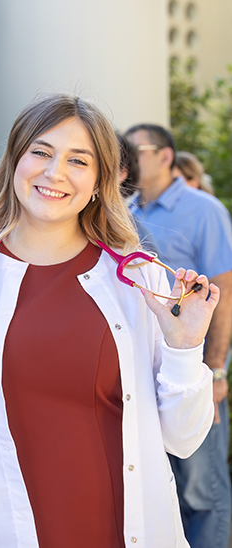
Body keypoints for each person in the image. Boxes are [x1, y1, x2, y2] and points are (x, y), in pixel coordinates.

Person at [0, 94, 217, 548]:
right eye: (40, 152)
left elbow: (183, 439)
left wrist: (185, 349)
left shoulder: (142, 278)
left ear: (102, 180)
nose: (54, 173)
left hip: (125, 532)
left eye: (78, 161)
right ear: (14, 161)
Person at [125, 123, 232, 548]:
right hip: (145, 373)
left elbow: (224, 294)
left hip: (194, 371)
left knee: (201, 492)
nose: (129, 162)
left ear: (165, 156)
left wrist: (217, 370)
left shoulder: (204, 209)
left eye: (138, 152)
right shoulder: (123, 211)